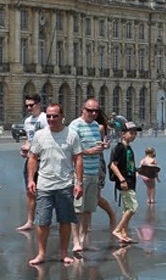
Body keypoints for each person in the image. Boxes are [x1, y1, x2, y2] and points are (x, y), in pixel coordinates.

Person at [27, 103, 83, 266]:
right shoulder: (40, 135)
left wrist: (79, 183)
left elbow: (78, 159)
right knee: (43, 222)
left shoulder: (71, 135)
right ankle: (41, 254)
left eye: (55, 116)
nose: (51, 119)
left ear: (62, 117)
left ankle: (64, 253)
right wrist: (31, 179)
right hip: (44, 185)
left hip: (65, 184)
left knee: (65, 221)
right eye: (49, 116)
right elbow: (33, 157)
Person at [68, 98, 112, 253]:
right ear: (83, 109)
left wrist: (103, 146)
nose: (93, 114)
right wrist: (88, 152)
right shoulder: (74, 126)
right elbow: (69, 149)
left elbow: (96, 145)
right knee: (77, 209)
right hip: (80, 173)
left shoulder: (95, 126)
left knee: (89, 209)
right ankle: (76, 241)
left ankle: (84, 240)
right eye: (90, 110)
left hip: (94, 172)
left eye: (96, 111)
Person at [16, 94, 48, 232]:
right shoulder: (28, 121)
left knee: (45, 192)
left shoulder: (46, 118)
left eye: (31, 105)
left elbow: (50, 138)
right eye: (27, 106)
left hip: (45, 159)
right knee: (30, 191)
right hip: (31, 160)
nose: (29, 108)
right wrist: (24, 149)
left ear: (39, 104)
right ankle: (30, 221)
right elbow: (29, 140)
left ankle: (45, 219)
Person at [107, 122, 141, 245]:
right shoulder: (120, 147)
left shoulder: (128, 148)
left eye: (135, 133)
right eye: (131, 133)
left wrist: (137, 170)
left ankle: (125, 234)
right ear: (122, 134)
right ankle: (118, 230)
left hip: (130, 180)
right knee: (133, 207)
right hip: (125, 181)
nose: (134, 135)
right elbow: (112, 165)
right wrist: (122, 179)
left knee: (126, 208)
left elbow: (127, 165)